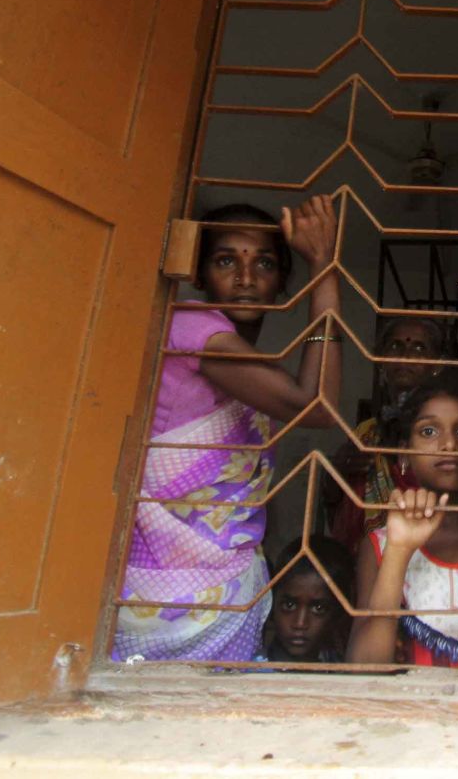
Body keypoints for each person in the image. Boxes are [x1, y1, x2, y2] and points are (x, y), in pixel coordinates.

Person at [113, 196, 341, 663]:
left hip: (228, 594)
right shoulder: (192, 325)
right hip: (160, 601)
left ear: (281, 283)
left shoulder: (251, 367)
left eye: (263, 264)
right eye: (225, 261)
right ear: (198, 276)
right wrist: (324, 267)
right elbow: (315, 405)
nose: (245, 278)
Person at [347, 371, 458, 669]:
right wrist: (399, 549)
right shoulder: (380, 544)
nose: (449, 444)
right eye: (428, 432)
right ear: (404, 453)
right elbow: (364, 665)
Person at [327, 317, 452, 556]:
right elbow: (334, 500)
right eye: (395, 346)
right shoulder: (367, 432)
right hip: (369, 556)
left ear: (437, 365)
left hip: (428, 552)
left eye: (419, 348)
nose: (405, 355)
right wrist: (340, 469)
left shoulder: (446, 431)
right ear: (380, 360)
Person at [257, 536, 355, 664]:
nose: (300, 623)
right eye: (289, 605)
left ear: (338, 613)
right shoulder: (253, 670)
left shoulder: (340, 668)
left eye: (318, 609)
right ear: (272, 605)